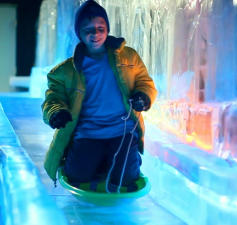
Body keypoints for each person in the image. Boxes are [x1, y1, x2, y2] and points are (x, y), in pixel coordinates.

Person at [41, 0, 157, 191]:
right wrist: (56, 112)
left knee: (126, 178)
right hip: (88, 132)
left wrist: (143, 96)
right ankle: (92, 157)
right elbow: (53, 98)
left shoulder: (129, 57)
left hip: (123, 130)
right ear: (79, 33)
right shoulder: (64, 72)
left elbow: (145, 82)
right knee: (77, 174)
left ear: (107, 28)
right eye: (88, 30)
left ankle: (122, 158)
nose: (95, 34)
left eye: (100, 28)